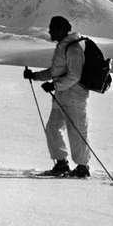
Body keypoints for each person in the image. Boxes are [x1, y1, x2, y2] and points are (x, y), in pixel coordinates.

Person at [23, 16, 90, 178]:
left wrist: (54, 85)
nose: (50, 31)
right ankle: (61, 164)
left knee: (77, 132)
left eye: (52, 28)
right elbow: (55, 72)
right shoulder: (64, 47)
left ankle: (82, 168)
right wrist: (35, 76)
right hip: (62, 97)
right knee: (53, 128)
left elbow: (75, 75)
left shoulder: (73, 49)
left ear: (61, 30)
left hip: (74, 98)